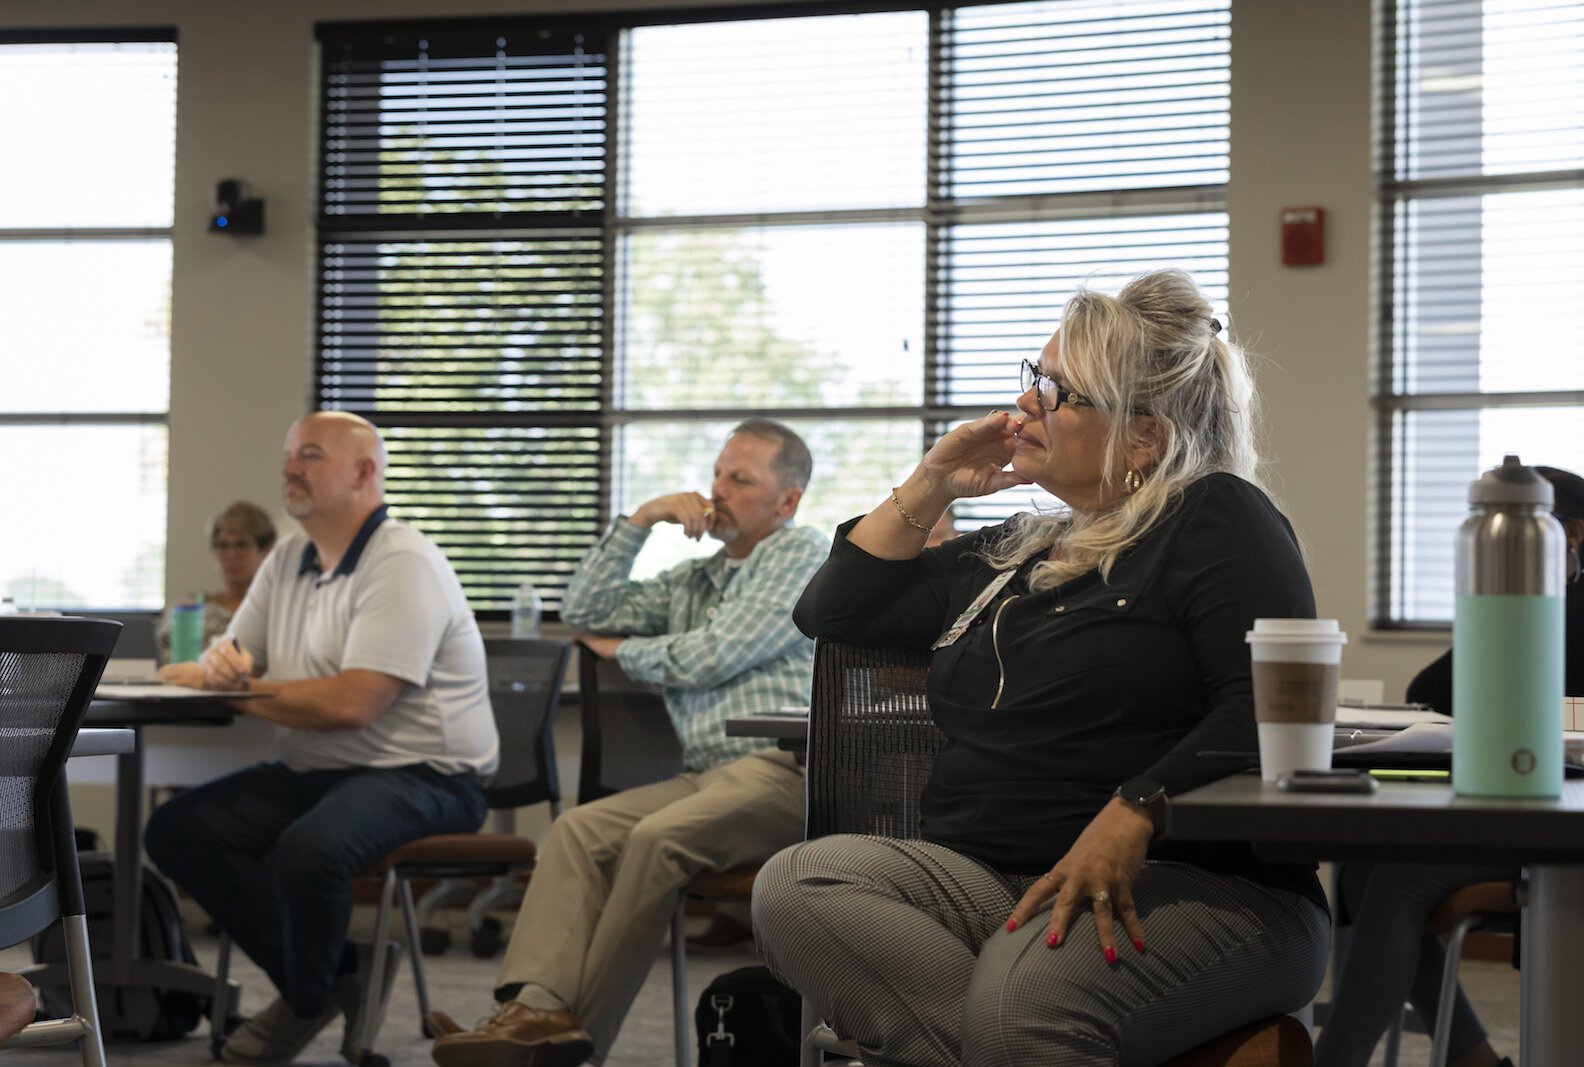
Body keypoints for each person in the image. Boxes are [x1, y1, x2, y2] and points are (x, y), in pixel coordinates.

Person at [752, 270, 1331, 1065]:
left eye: (1058, 392)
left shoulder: (1215, 516)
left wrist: (1133, 809)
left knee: (1022, 1002)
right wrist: (932, 479)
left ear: (1142, 438)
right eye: (1034, 379)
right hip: (990, 881)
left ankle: (1021, 1026)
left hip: (1189, 883)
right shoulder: (1015, 548)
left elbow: (1271, 707)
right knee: (798, 884)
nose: (1024, 405)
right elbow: (835, 611)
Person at [430, 418, 829, 1067]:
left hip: (784, 769)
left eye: (742, 478)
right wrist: (642, 519)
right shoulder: (692, 581)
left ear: (787, 501)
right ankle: (535, 1005)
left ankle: (574, 1040)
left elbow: (716, 654)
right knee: (577, 830)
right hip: (706, 775)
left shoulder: (801, 552)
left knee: (655, 840)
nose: (718, 489)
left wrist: (628, 652)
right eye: (718, 473)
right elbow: (584, 606)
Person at [147, 411, 497, 1065]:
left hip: (430, 775)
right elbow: (232, 656)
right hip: (319, 769)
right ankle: (336, 977)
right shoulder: (288, 557)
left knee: (307, 852)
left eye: (310, 455)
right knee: (176, 830)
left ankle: (303, 1005)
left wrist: (233, 684)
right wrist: (222, 666)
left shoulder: (404, 562)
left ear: (365, 472)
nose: (288, 468)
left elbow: (354, 703)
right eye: (288, 454)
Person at [1314, 466, 1584, 1067]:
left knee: (1397, 878)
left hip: (1559, 816)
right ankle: (1475, 1056)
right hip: (1518, 803)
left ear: (1573, 536)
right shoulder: (1524, 596)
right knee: (1360, 870)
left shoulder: (1561, 602)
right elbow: (1433, 687)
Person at [155, 501, 277, 661]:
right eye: (223, 545)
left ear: (266, 550)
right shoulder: (188, 609)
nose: (231, 555)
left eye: (242, 545)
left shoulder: (279, 610)